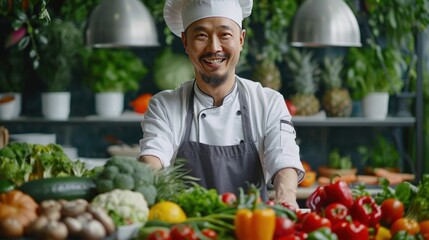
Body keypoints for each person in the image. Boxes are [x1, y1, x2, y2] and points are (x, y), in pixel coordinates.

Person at [139, 0, 305, 208]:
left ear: (241, 39)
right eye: (201, 35)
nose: (214, 47)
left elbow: (284, 158)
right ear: (185, 43)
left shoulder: (268, 102)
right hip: (185, 229)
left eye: (224, 35)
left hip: (252, 228)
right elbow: (153, 157)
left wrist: (286, 198)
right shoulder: (164, 105)